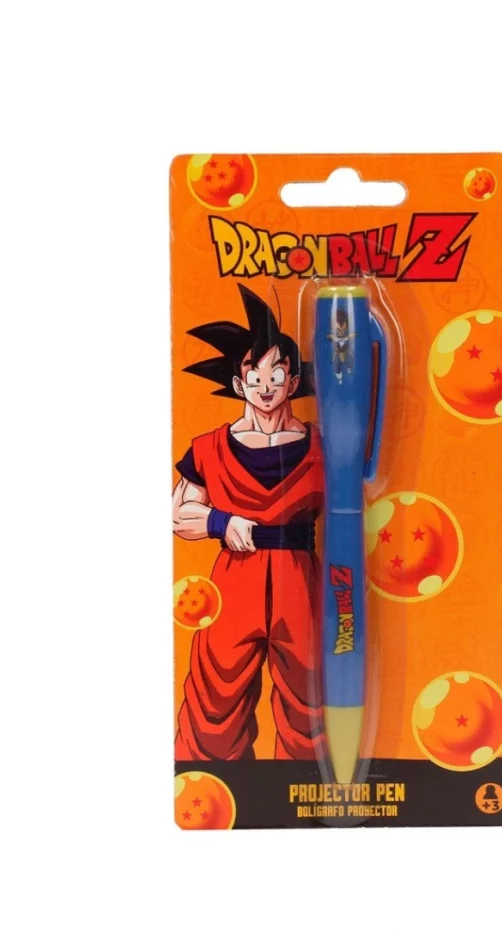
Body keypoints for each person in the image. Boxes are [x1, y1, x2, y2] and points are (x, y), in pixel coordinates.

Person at [172, 284, 325, 762]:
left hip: (301, 580)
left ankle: (309, 787)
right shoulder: (208, 448)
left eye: (276, 373)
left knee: (312, 700)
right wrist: (221, 521)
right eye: (254, 374)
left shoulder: (323, 444)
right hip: (234, 582)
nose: (266, 385)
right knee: (214, 700)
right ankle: (215, 785)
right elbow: (178, 513)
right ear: (239, 384)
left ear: (293, 381)